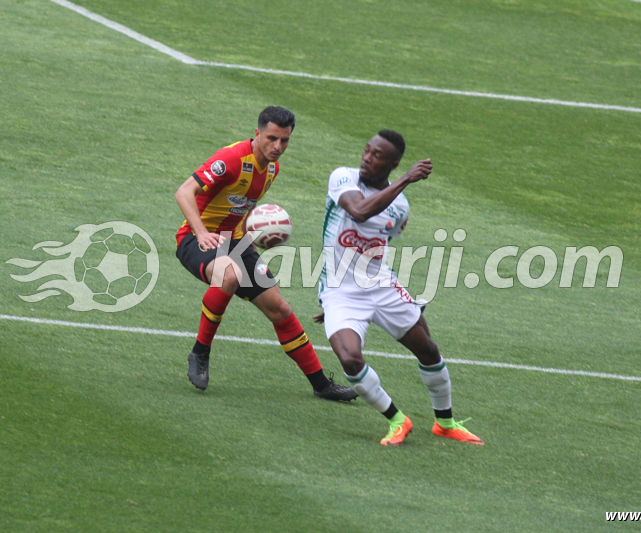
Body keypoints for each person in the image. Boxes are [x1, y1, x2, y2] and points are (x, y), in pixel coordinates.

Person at [174, 106, 357, 402]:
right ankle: (200, 353)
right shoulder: (230, 159)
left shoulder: (272, 168)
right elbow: (184, 192)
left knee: (280, 309)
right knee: (229, 276)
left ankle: (321, 384)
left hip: (236, 243)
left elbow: (241, 207)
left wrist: (251, 236)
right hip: (197, 239)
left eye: (284, 141)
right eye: (272, 138)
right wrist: (201, 232)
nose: (278, 147)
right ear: (257, 133)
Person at [315, 130, 484, 446]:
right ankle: (397, 420)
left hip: (381, 286)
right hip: (340, 292)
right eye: (366, 150)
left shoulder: (400, 207)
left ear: (391, 163)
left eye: (376, 155)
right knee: (350, 358)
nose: (366, 157)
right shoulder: (343, 178)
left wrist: (396, 289)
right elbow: (359, 211)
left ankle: (444, 423)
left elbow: (380, 246)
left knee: (428, 349)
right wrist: (406, 179)